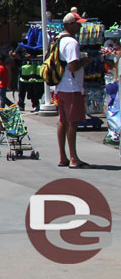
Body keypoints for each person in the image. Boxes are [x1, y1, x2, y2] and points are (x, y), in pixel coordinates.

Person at [56, 11, 90, 169]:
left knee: (63, 121)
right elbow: (73, 65)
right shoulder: (72, 43)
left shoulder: (58, 39)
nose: (80, 26)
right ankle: (73, 158)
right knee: (72, 122)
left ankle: (63, 157)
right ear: (70, 24)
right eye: (78, 24)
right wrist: (84, 61)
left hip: (61, 86)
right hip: (71, 87)